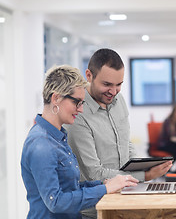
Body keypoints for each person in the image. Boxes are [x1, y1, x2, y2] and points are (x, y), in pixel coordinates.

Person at [64, 48, 172, 218]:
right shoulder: (78, 113)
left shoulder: (118, 100)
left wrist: (141, 166)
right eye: (107, 84)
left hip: (126, 198)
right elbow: (94, 173)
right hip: (96, 210)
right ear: (89, 75)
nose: (113, 92)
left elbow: (126, 142)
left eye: (118, 84)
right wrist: (144, 175)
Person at [21, 65, 138, 219]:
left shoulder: (58, 137)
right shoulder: (41, 144)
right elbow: (55, 202)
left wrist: (104, 184)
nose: (81, 109)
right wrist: (104, 189)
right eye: (77, 102)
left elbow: (70, 188)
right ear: (56, 98)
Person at [158, 105, 176, 173]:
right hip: (165, 144)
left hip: (172, 144)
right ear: (174, 112)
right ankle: (169, 170)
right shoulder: (168, 121)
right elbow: (170, 135)